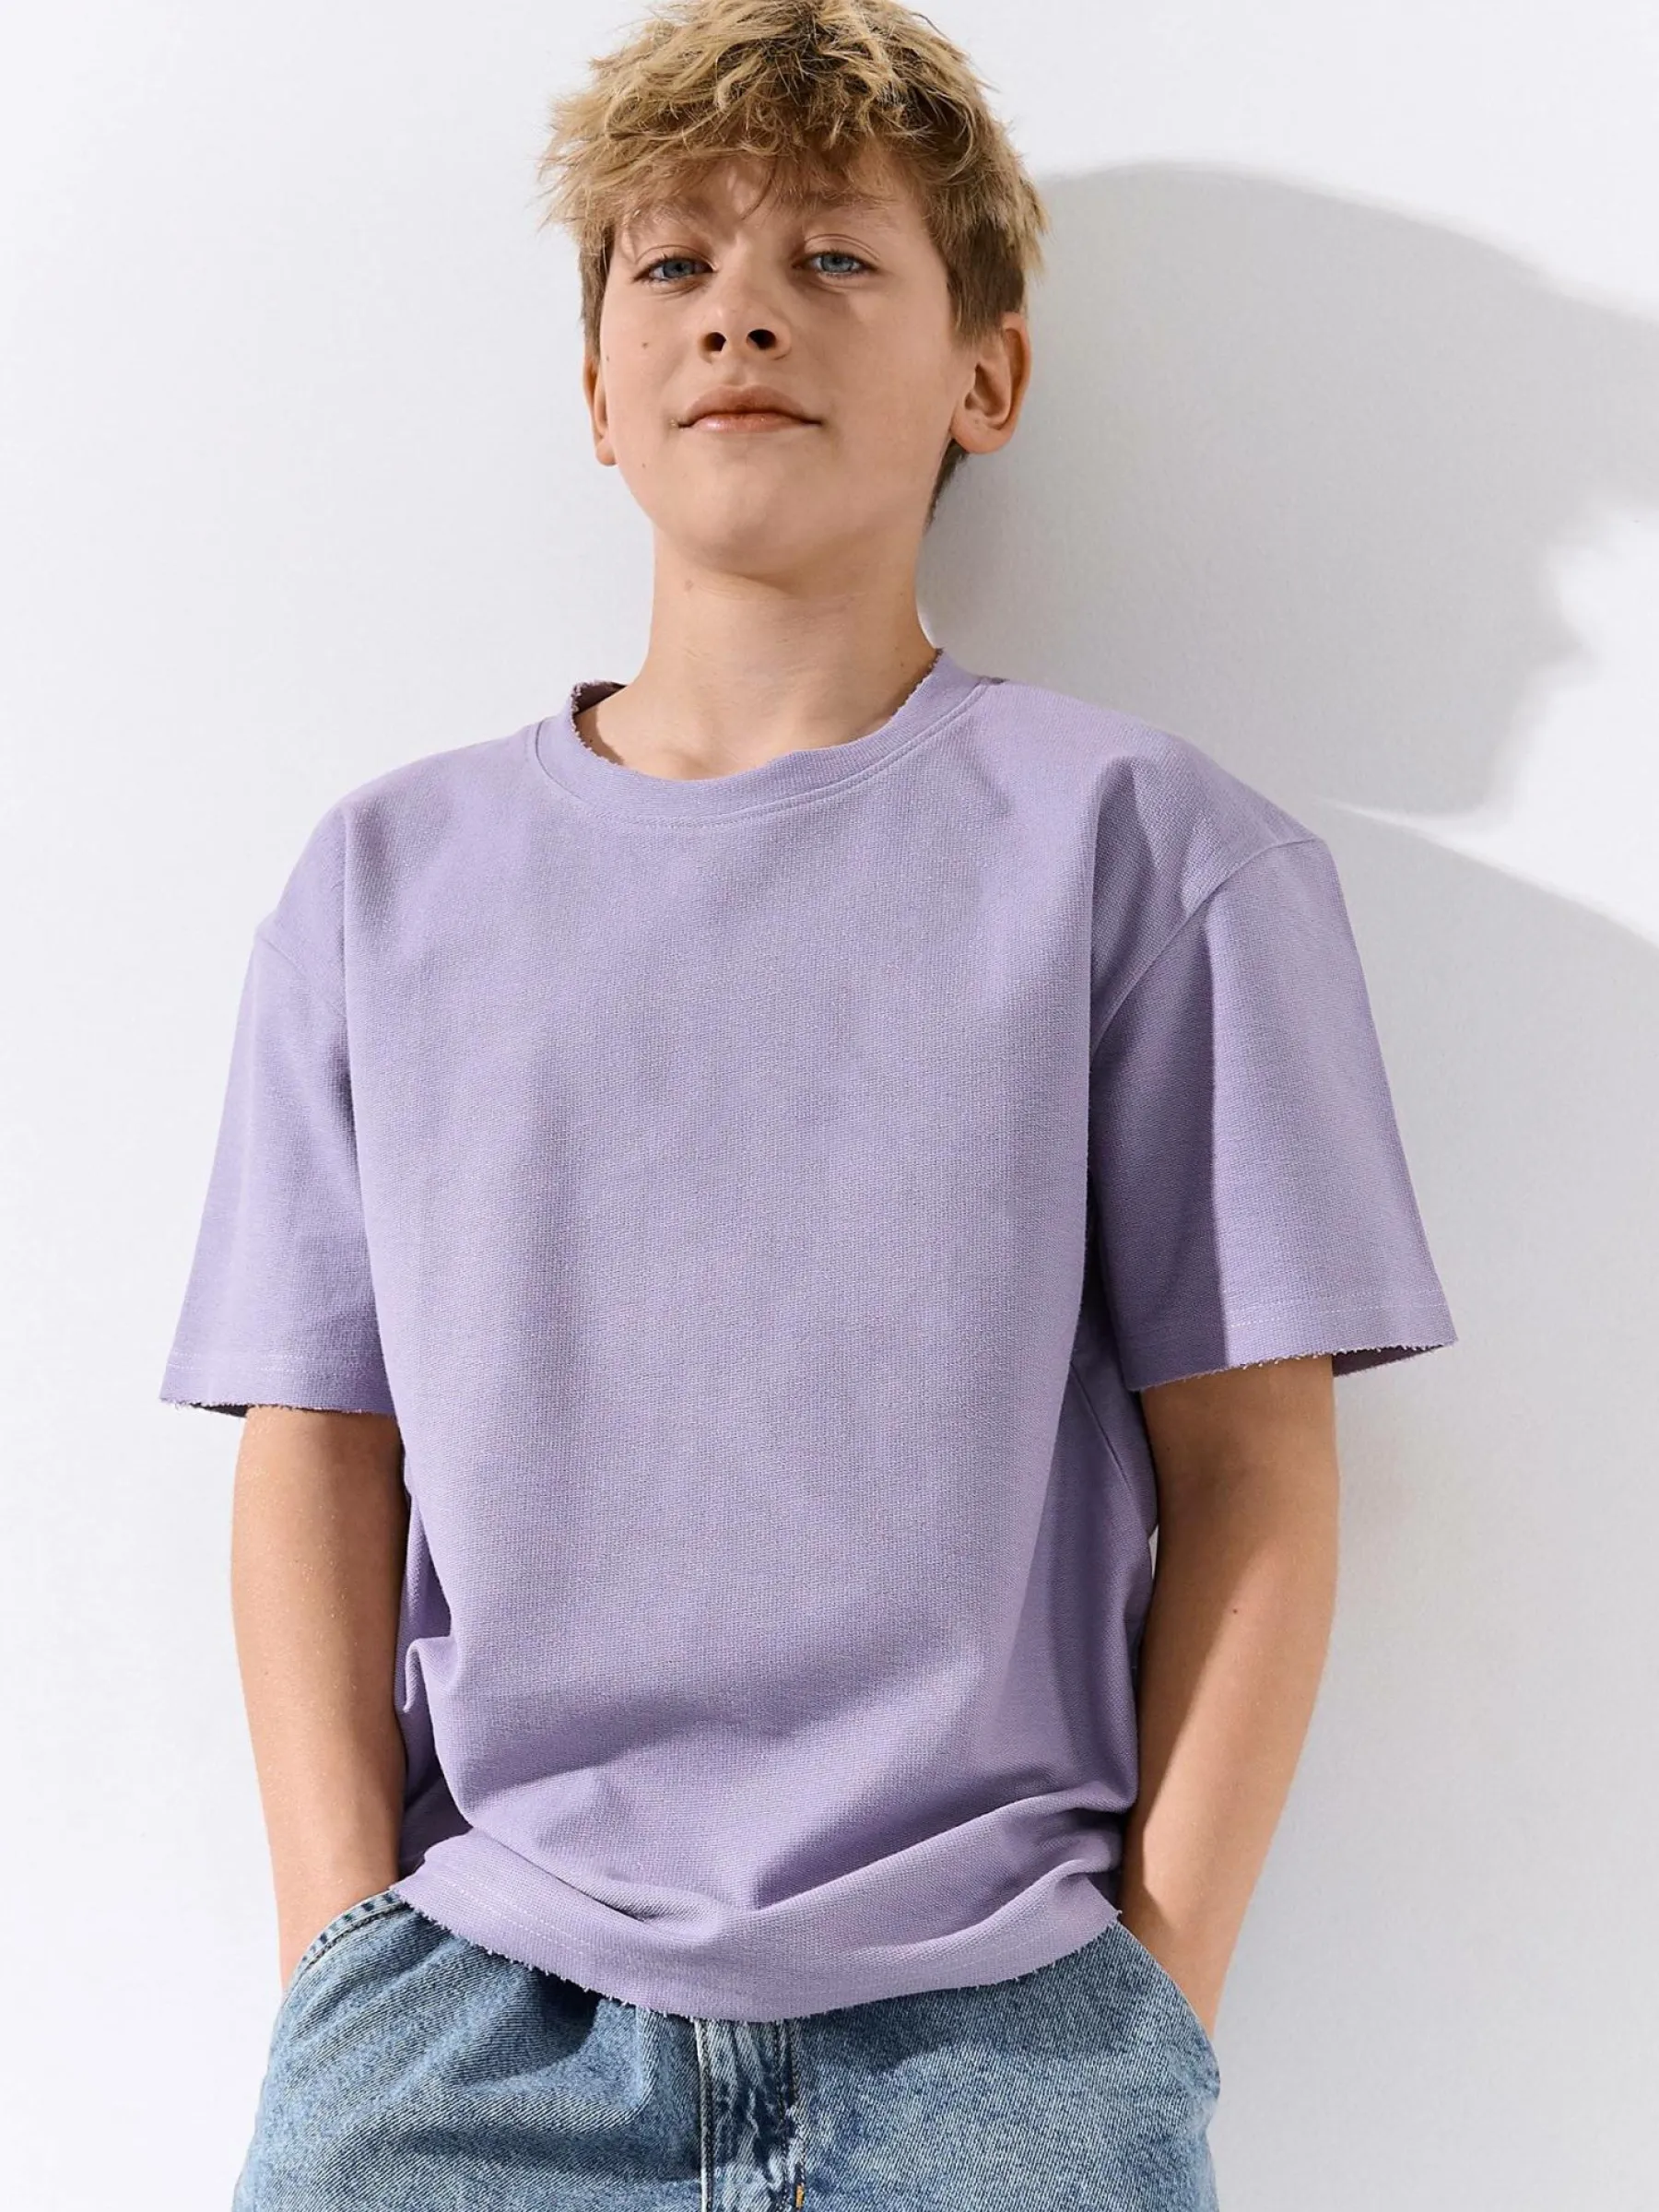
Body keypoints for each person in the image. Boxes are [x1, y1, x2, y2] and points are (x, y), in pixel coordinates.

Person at [159, 2, 1457, 2205]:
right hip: (472, 2030)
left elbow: (1253, 1464)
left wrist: (1153, 1999)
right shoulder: (384, 883)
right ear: (597, 392)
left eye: (837, 257)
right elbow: (318, 1447)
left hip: (1004, 2039)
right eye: (671, 264)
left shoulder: (1147, 854)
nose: (741, 308)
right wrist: (336, 1958)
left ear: (987, 375)